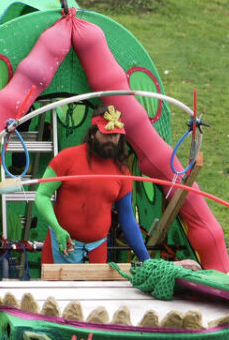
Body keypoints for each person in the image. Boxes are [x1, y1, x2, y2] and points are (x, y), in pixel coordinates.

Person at [30, 106, 151, 265]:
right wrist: (57, 228)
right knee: (55, 290)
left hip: (97, 250)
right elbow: (42, 195)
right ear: (93, 134)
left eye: (116, 135)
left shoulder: (123, 172)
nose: (112, 140)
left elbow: (127, 217)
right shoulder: (66, 158)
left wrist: (146, 259)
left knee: (96, 290)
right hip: (63, 246)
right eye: (106, 134)